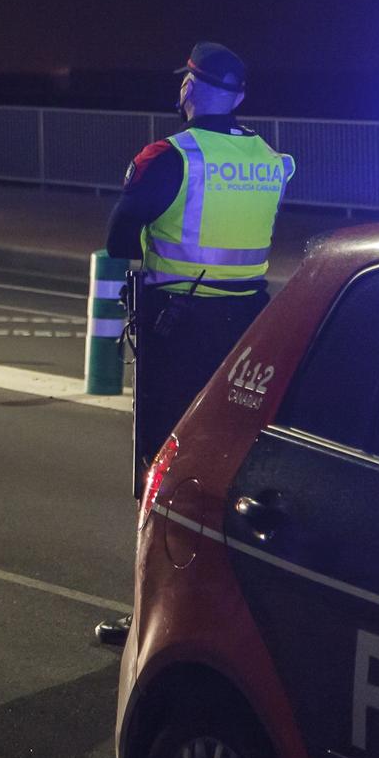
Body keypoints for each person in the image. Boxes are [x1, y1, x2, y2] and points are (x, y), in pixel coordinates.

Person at [94, 42, 294, 647]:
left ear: (192, 88)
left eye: (185, 81)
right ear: (238, 97)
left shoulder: (171, 156)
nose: (181, 88)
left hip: (176, 328)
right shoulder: (268, 158)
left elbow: (119, 237)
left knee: (162, 469)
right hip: (248, 332)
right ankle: (232, 614)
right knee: (231, 468)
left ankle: (152, 613)